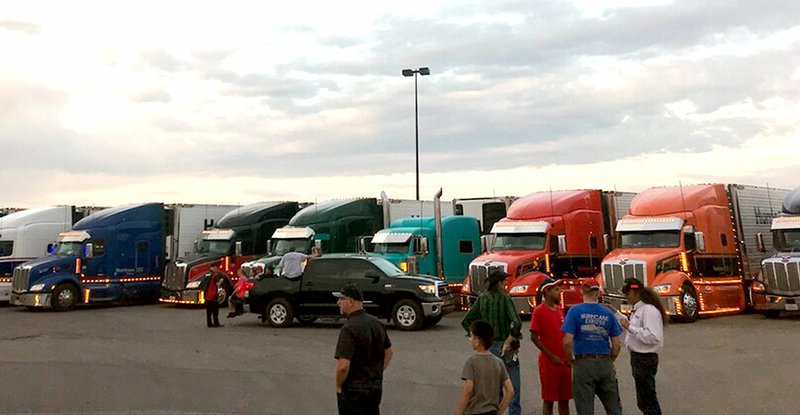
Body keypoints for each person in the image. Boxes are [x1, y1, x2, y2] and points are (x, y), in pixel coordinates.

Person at [461, 268, 523, 415]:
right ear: (498, 283)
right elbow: (517, 322)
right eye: (504, 281)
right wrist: (511, 337)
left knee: (495, 389)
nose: (506, 284)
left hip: (490, 346)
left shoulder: (482, 298)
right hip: (507, 347)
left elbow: (466, 320)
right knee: (513, 387)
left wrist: (477, 335)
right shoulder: (505, 299)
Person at [562, 279, 623, 415]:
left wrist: (570, 359)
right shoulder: (607, 313)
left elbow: (567, 341)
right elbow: (616, 344)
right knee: (613, 406)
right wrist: (610, 359)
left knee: (585, 408)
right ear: (598, 293)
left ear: (582, 291)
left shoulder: (575, 311)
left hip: (583, 361)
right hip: (604, 361)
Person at [334, 283, 393, 415]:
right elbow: (388, 352)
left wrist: (338, 385)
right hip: (374, 388)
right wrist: (376, 371)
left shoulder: (349, 329)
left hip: (353, 390)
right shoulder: (376, 323)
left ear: (350, 302)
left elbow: (343, 366)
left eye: (341, 299)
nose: (338, 302)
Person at [615, 278, 666, 415]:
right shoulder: (639, 310)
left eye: (627, 293)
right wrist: (616, 313)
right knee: (644, 400)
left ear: (633, 292)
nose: (626, 297)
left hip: (645, 358)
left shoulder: (648, 310)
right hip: (639, 358)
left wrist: (629, 327)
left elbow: (653, 337)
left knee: (647, 400)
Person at [530, 278, 571, 415]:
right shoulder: (539, 311)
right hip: (549, 363)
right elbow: (534, 337)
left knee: (564, 399)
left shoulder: (560, 310)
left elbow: (565, 335)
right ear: (547, 291)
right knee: (549, 400)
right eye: (556, 289)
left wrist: (569, 356)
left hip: (564, 361)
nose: (559, 292)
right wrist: (551, 355)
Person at [456, 321, 514, 415]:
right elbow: (510, 391)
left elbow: (468, 389)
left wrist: (458, 412)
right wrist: (499, 411)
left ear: (477, 341)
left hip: (474, 411)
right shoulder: (498, 362)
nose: (469, 339)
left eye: (471, 336)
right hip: (492, 411)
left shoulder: (471, 362)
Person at [202, 262, 226, 328]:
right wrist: (221, 280)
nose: (216, 269)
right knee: (215, 311)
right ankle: (216, 323)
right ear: (214, 267)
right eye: (216, 267)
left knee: (208, 311)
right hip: (213, 295)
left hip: (207, 295)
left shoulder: (206, 274)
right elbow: (217, 284)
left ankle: (209, 323)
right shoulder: (215, 275)